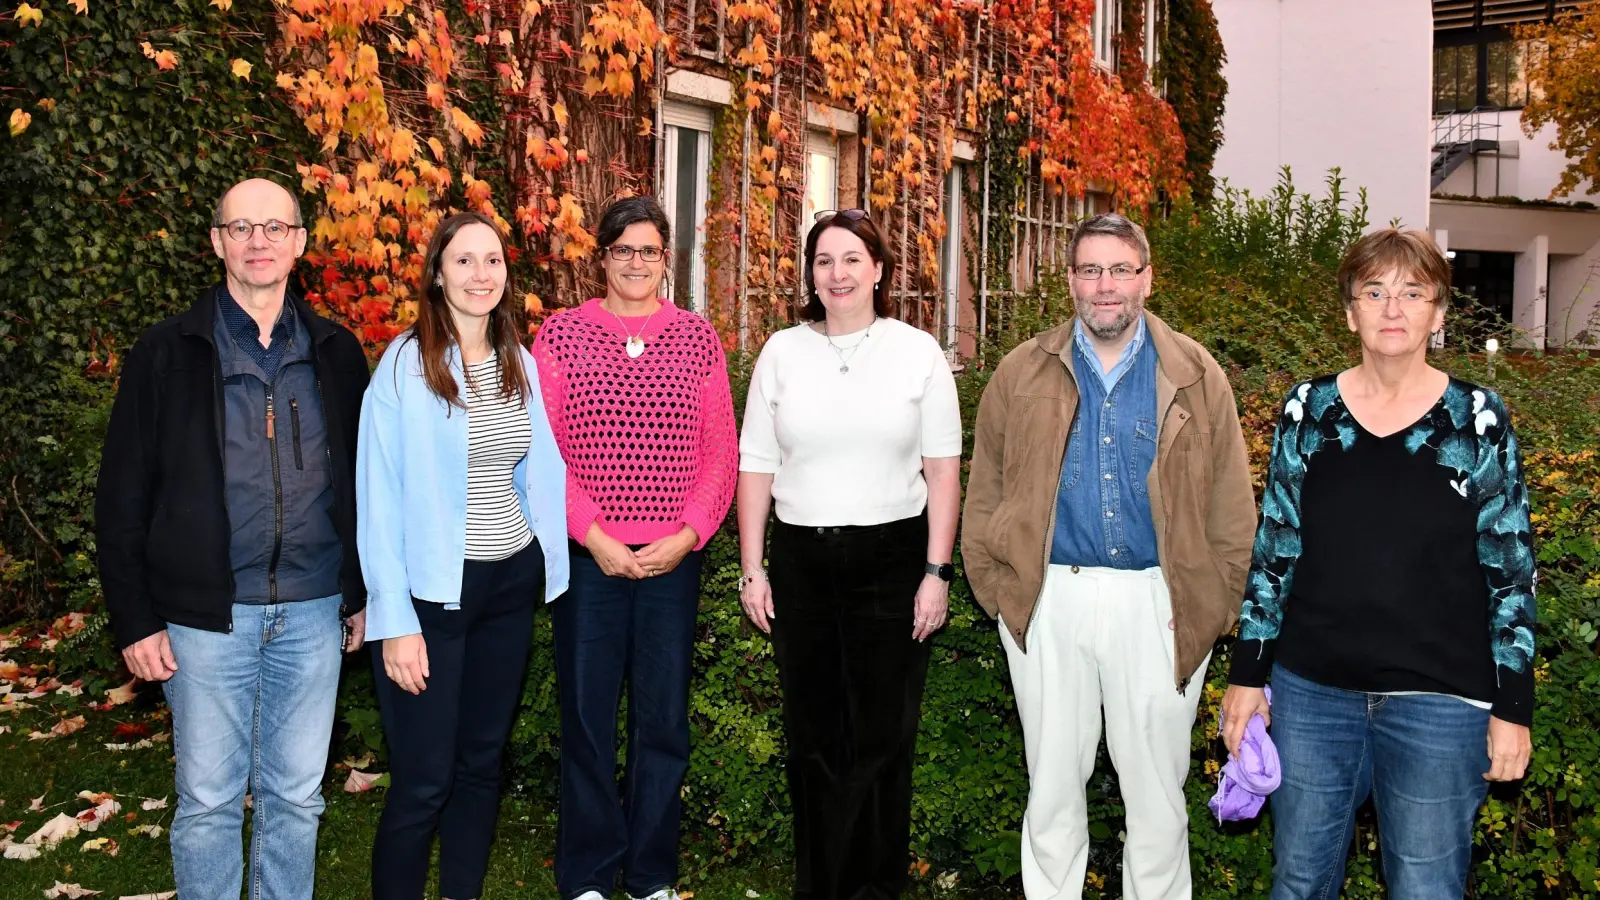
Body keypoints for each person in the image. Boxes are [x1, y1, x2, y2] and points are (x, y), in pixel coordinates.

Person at [1220, 228, 1536, 899]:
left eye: (1413, 293)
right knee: (1299, 881)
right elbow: (1274, 548)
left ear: (1438, 314)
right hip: (1311, 695)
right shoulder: (1307, 412)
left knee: (1426, 888)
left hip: (1441, 703)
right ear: (1350, 313)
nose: (1393, 308)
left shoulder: (1479, 418)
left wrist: (1514, 706)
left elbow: (1511, 572)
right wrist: (1248, 675)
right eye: (1374, 291)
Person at [961, 212, 1257, 900]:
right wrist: (1002, 594)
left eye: (1121, 269)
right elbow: (986, 492)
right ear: (1069, 280)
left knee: (1157, 799)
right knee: (1051, 791)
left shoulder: (1194, 373)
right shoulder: (1021, 371)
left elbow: (1231, 507)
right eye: (1091, 270)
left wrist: (1213, 605)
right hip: (1048, 599)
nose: (1105, 285)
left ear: (1147, 278)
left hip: (1159, 602)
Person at [95, 177, 370, 900]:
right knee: (209, 802)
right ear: (217, 241)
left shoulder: (337, 352)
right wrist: (135, 617)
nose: (258, 242)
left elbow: (364, 485)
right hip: (204, 618)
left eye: (275, 228)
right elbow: (121, 496)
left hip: (313, 610)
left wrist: (359, 590)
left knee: (297, 798)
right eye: (241, 227)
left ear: (299, 242)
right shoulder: (167, 352)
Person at [737, 208, 963, 900]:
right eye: (824, 260)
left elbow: (943, 472)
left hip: (893, 562)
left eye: (852, 259)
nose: (837, 274)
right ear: (811, 274)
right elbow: (756, 466)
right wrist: (753, 569)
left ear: (879, 271)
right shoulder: (781, 353)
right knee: (813, 740)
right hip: (801, 562)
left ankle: (876, 890)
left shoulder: (917, 353)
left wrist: (936, 573)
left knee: (884, 740)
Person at [358, 211, 570, 900]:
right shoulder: (404, 365)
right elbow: (378, 499)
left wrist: (544, 558)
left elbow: (532, 474)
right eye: (464, 261)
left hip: (507, 586)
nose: (481, 275)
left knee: (481, 763)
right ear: (438, 275)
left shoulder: (520, 363)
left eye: (493, 260)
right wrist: (394, 620)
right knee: (424, 779)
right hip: (431, 599)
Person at [533, 196, 737, 900]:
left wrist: (687, 535)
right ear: (603, 258)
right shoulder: (561, 336)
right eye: (623, 250)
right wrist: (593, 535)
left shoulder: (697, 338)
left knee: (664, 721)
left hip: (672, 561)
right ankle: (588, 875)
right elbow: (544, 450)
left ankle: (651, 875)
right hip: (589, 559)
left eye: (649, 250)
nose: (636, 263)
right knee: (588, 719)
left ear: (666, 259)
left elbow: (721, 451)